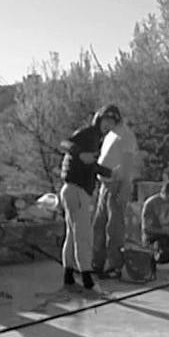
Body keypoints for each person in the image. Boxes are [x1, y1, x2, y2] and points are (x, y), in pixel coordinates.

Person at [59, 110, 114, 292]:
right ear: (99, 119)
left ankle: (68, 275)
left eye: (112, 123)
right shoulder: (89, 133)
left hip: (69, 189)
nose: (109, 125)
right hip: (77, 190)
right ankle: (87, 278)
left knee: (72, 234)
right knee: (83, 235)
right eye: (107, 120)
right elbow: (65, 143)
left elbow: (90, 165)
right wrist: (79, 153)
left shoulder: (94, 138)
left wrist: (109, 173)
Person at [92, 104, 139, 278]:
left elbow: (127, 163)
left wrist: (126, 187)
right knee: (99, 225)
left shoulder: (125, 135)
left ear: (113, 118)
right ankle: (97, 261)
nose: (103, 124)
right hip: (105, 185)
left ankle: (115, 265)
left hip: (117, 184)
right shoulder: (111, 135)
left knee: (114, 227)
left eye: (105, 120)